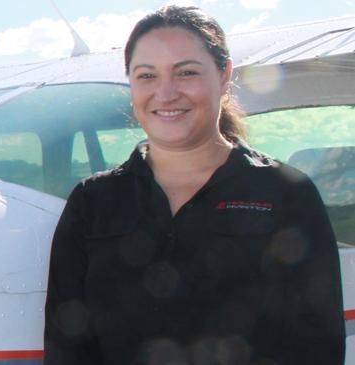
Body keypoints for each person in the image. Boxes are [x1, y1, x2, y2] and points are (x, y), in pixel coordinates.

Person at [43, 5, 345, 365]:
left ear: (224, 75)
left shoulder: (285, 193)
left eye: (186, 72)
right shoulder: (92, 203)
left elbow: (317, 344)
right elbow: (68, 347)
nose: (166, 93)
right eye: (146, 76)